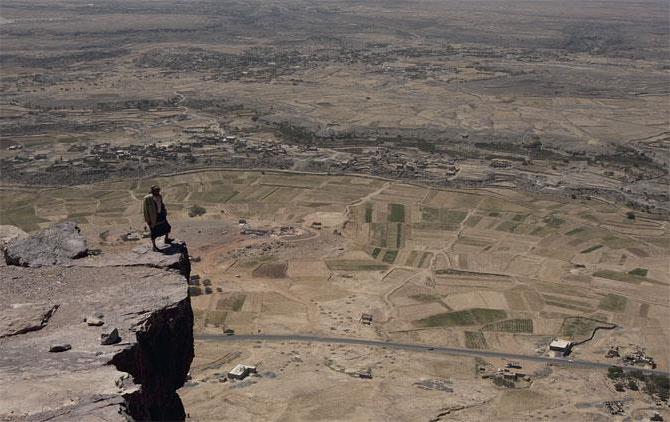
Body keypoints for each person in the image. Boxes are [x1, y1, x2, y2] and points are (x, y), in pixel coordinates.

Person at [143, 185, 173, 251]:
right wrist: (148, 220)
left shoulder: (159, 196)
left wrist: (164, 211)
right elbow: (145, 210)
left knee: (167, 227)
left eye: (158, 190)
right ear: (152, 191)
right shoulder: (147, 198)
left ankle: (166, 239)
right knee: (154, 232)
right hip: (153, 217)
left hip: (161, 215)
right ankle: (154, 246)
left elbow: (161, 204)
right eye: (156, 190)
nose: (158, 192)